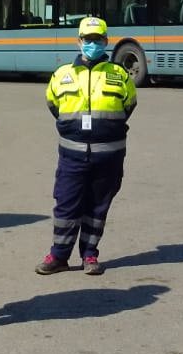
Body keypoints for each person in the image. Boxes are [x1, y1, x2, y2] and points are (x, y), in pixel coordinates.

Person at [35, 18, 139, 278]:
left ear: (106, 41)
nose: (92, 44)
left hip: (109, 155)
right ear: (78, 41)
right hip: (73, 154)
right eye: (87, 39)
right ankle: (58, 255)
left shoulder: (119, 74)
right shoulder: (62, 75)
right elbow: (53, 106)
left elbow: (129, 105)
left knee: (97, 207)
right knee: (66, 206)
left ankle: (90, 254)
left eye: (97, 39)